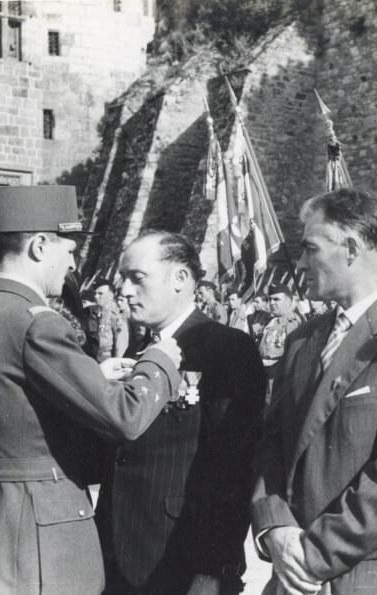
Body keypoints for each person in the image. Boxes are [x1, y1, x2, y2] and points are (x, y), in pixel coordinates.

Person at [0, 185, 183, 594]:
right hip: (40, 524)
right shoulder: (37, 322)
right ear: (38, 246)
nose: (71, 263)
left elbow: (7, 395)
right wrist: (159, 362)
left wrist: (90, 375)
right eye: (68, 249)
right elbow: (125, 417)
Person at [251, 188, 377, 595]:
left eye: (310, 248)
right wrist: (273, 526)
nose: (301, 263)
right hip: (293, 572)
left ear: (350, 249)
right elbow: (270, 443)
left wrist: (309, 557)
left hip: (367, 577)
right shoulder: (302, 339)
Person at [96, 231, 267, 594]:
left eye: (136, 278)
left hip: (181, 560)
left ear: (181, 279)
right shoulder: (139, 354)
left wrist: (213, 569)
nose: (124, 291)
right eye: (122, 279)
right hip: (115, 560)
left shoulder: (226, 349)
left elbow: (234, 468)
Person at [258, 283, 303, 382]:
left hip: (279, 376)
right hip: (265, 373)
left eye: (276, 299)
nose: (272, 303)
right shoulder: (271, 321)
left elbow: (293, 356)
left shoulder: (292, 322)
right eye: (270, 299)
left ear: (288, 301)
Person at [85, 278, 129, 361]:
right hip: (92, 356)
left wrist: (116, 362)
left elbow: (121, 343)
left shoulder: (116, 314)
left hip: (107, 358)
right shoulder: (93, 311)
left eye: (100, 294)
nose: (96, 296)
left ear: (111, 295)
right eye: (95, 293)